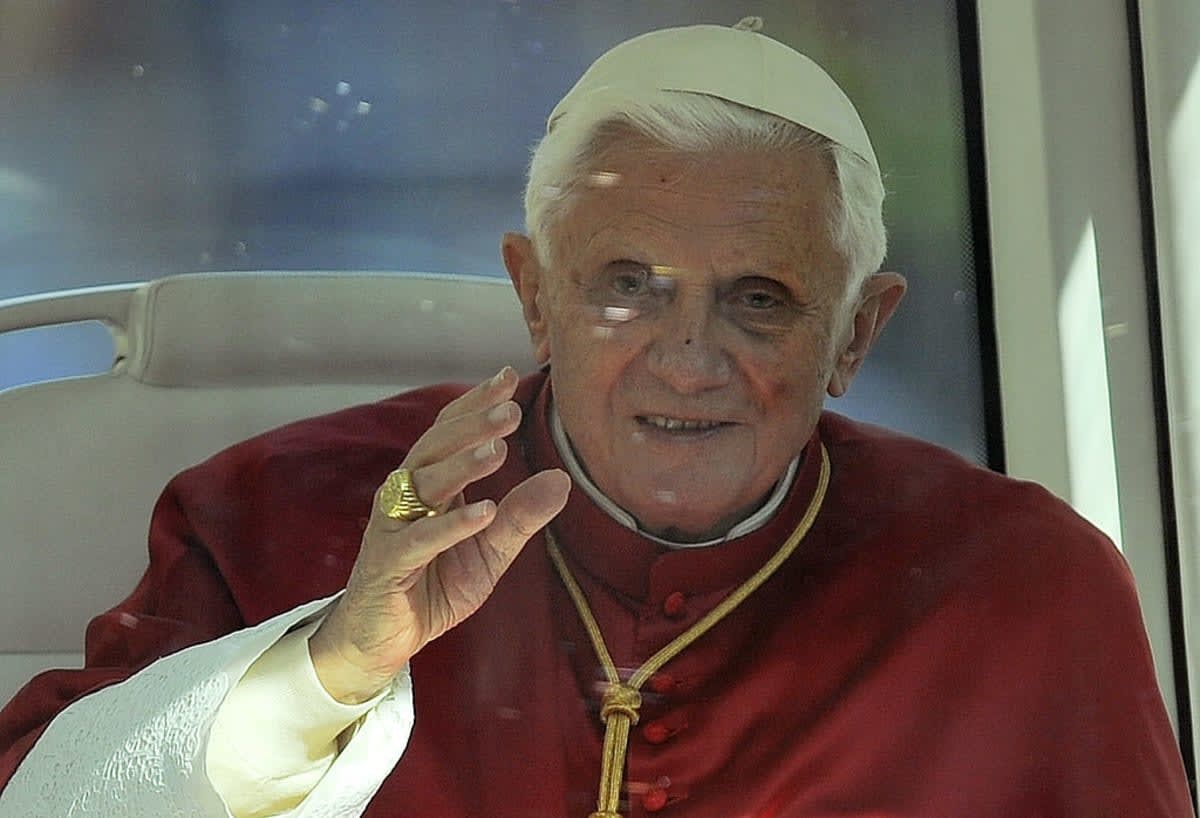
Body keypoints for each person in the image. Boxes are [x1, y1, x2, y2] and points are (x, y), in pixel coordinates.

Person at [0, 19, 1193, 818]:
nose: (687, 359)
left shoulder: (1025, 586)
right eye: (628, 287)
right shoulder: (273, 511)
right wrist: (325, 671)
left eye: (760, 301)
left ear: (857, 335)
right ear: (533, 294)